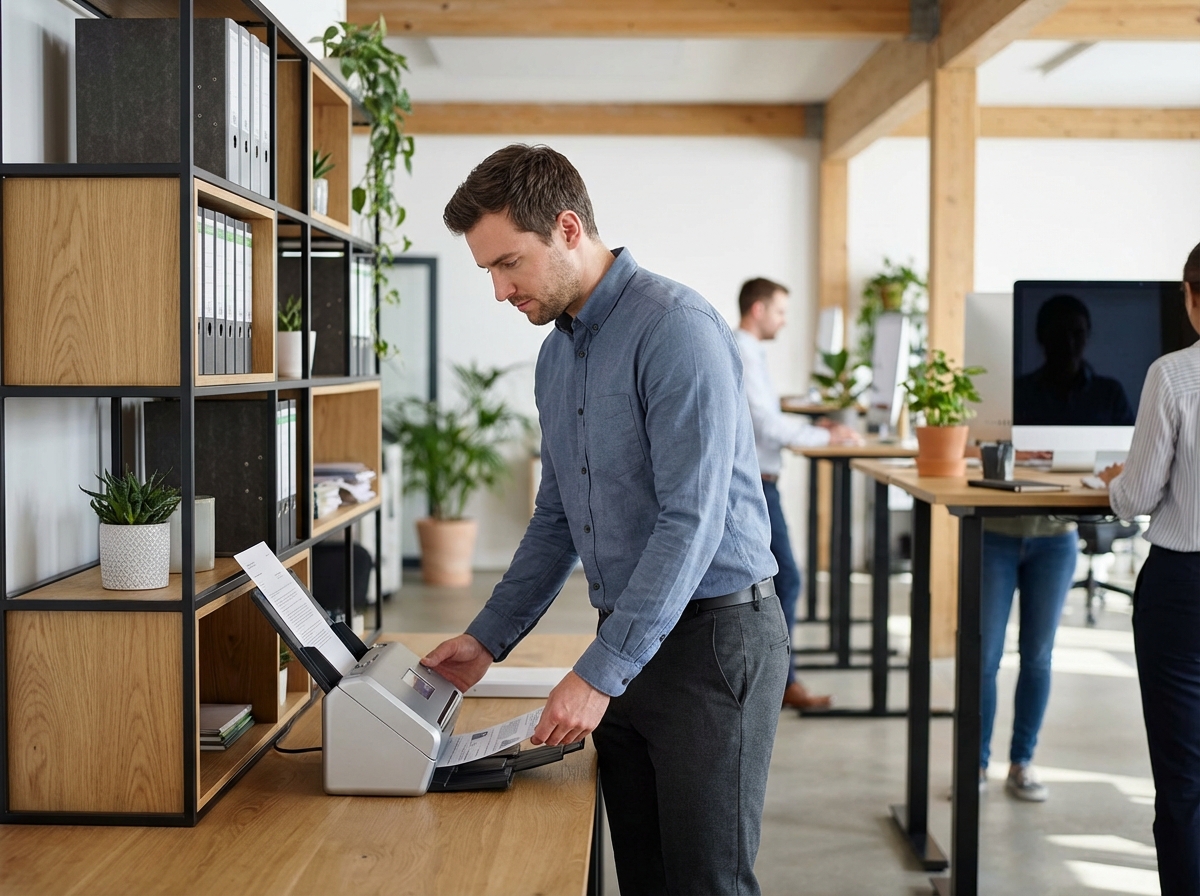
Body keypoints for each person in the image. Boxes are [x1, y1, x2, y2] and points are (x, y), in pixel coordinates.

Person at [422, 144, 789, 895]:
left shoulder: (676, 329)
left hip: (713, 643)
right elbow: (557, 514)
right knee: (646, 880)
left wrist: (599, 673)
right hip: (629, 635)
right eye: (488, 270)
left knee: (706, 883)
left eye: (508, 264)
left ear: (566, 228)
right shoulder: (556, 360)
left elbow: (692, 521)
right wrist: (488, 637)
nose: (499, 291)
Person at [1099, 243, 1200, 896]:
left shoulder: (1175, 375)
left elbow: (1135, 499)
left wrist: (1115, 482)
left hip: (1182, 593)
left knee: (1185, 783)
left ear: (1192, 297)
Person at [735, 277, 857, 710]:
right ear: (758, 310)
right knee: (787, 577)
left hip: (764, 480)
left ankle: (779, 679)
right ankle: (782, 683)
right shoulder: (744, 353)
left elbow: (767, 414)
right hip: (757, 485)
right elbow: (765, 426)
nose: (784, 321)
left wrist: (814, 426)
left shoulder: (752, 352)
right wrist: (827, 438)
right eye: (781, 311)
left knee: (779, 578)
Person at [978, 513, 1078, 801]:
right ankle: (975, 764)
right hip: (993, 533)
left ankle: (1022, 762)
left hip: (1056, 538)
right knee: (984, 658)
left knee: (1038, 657)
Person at [1012, 293, 1135, 425]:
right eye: (1059, 334)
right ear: (1041, 336)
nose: (1068, 343)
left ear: (1087, 336)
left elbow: (1130, 442)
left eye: (1077, 333)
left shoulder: (1110, 394)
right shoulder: (1020, 392)